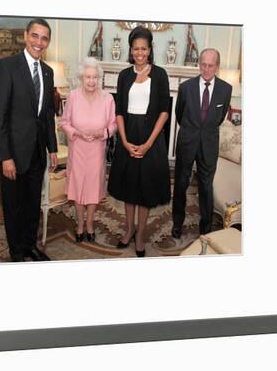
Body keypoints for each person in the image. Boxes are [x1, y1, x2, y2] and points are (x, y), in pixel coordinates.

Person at [0, 18, 58, 262]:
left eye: (44, 38)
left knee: (32, 205)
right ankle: (16, 251)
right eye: (35, 36)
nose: (39, 42)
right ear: (25, 35)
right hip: (14, 154)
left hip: (38, 153)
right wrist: (5, 156)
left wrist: (52, 148)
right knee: (14, 205)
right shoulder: (7, 66)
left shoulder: (48, 72)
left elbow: (47, 115)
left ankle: (30, 244)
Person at [107, 26, 171, 257]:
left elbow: (164, 112)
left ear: (150, 49)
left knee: (145, 190)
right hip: (128, 135)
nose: (140, 53)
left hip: (151, 137)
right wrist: (123, 141)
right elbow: (119, 111)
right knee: (128, 187)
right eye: (136, 49)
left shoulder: (161, 74)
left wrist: (148, 143)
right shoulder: (124, 75)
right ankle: (128, 230)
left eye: (144, 48)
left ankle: (141, 235)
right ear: (131, 50)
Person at [172, 48, 232, 237]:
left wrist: (203, 131)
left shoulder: (226, 89)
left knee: (206, 187)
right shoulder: (186, 87)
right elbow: (179, 114)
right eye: (203, 65)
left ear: (217, 67)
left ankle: (205, 228)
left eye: (210, 66)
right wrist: (192, 131)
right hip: (187, 143)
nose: (206, 70)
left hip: (209, 144)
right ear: (199, 64)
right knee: (181, 184)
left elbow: (220, 117)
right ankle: (177, 223)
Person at [59, 58, 117, 243]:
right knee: (77, 187)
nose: (91, 81)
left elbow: (114, 124)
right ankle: (80, 225)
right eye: (87, 77)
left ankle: (90, 224)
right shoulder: (73, 96)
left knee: (93, 188)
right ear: (81, 78)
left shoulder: (108, 98)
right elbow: (64, 122)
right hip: (77, 149)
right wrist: (76, 133)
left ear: (99, 78)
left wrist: (103, 133)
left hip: (96, 150)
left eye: (94, 77)